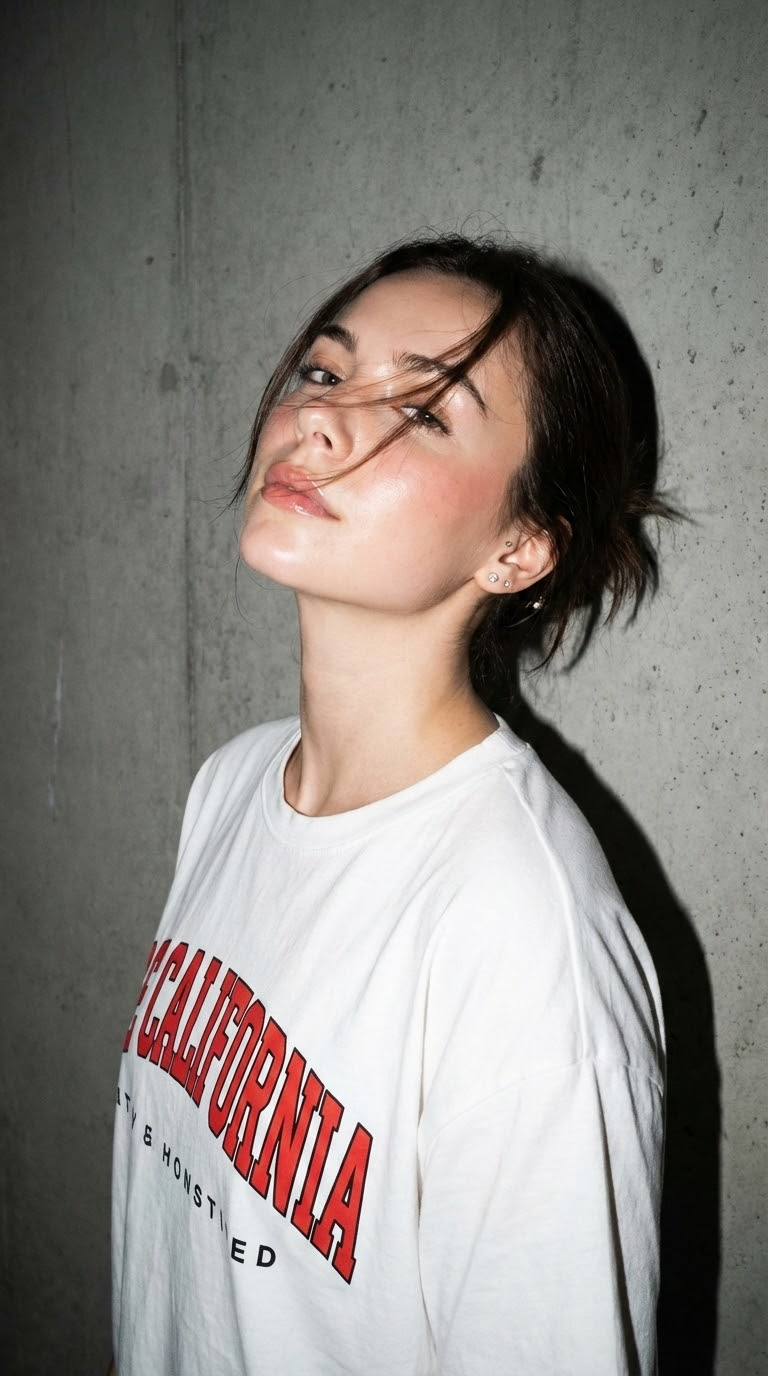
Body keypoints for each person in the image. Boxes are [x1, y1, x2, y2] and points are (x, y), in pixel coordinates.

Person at [111, 234, 669, 1375]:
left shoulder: (523, 933)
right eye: (325, 369)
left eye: (420, 411)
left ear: (520, 546)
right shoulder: (232, 784)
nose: (319, 418)